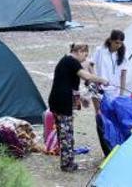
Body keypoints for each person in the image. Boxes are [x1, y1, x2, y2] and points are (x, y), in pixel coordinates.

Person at [48, 43, 109, 172]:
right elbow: (86, 76)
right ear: (80, 51)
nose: (84, 59)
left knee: (64, 133)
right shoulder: (71, 61)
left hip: (58, 100)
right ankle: (67, 164)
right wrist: (101, 80)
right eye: (85, 55)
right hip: (62, 102)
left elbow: (69, 84)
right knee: (66, 134)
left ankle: (67, 161)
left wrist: (81, 99)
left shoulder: (66, 61)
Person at [89, 30, 127, 98]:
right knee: (99, 109)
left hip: (115, 91)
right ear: (110, 40)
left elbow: (123, 75)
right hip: (99, 89)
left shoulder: (123, 54)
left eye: (121, 43)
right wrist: (95, 79)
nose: (118, 46)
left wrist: (121, 94)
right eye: (116, 43)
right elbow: (90, 65)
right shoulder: (100, 50)